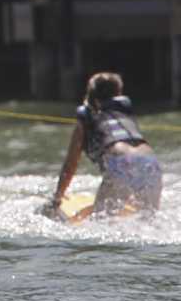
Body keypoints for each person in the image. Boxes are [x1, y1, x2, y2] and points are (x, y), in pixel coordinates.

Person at [50, 70, 164, 220]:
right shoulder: (125, 113)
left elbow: (70, 165)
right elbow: (135, 163)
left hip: (120, 162)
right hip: (151, 163)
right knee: (148, 221)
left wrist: (57, 198)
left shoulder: (87, 117)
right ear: (118, 92)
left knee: (101, 223)